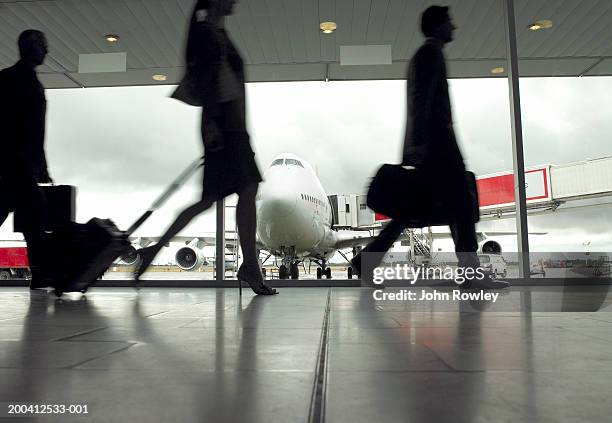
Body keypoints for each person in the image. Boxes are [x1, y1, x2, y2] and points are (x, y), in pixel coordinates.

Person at [352, 6, 508, 290]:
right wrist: (422, 145)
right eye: (450, 21)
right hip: (438, 147)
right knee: (460, 203)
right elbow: (421, 101)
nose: (454, 27)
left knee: (414, 211)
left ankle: (367, 261)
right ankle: (472, 275)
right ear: (437, 25)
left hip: (430, 146)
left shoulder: (424, 56)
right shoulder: (430, 54)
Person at [134, 0, 277, 295]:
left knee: (215, 198)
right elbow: (210, 82)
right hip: (223, 125)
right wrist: (213, 125)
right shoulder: (206, 34)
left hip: (233, 127)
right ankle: (250, 265)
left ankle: (155, 250)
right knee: (244, 190)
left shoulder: (216, 32)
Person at [0, 30, 53, 290]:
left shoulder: (14, 79)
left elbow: (36, 131)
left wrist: (41, 165)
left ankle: (41, 274)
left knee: (30, 215)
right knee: (35, 215)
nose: (47, 51)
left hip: (19, 164)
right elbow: (30, 129)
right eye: (43, 45)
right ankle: (40, 274)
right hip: (14, 163)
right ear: (31, 46)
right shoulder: (17, 81)